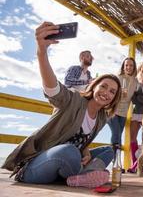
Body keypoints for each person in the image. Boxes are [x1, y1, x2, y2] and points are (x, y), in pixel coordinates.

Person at [1, 22, 122, 188]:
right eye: (104, 86)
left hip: (67, 164)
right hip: (37, 166)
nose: (106, 93)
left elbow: (81, 141)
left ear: (114, 98)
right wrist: (42, 52)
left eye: (112, 91)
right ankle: (85, 175)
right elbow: (53, 89)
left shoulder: (101, 117)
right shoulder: (73, 99)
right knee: (69, 150)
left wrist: (85, 150)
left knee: (108, 150)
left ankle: (79, 177)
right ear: (93, 86)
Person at [107, 57, 137, 153]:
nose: (128, 67)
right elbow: (110, 92)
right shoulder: (117, 78)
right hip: (113, 110)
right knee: (116, 134)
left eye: (131, 65)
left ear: (134, 67)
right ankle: (115, 158)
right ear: (123, 67)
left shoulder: (135, 81)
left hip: (124, 113)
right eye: (126, 65)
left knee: (119, 135)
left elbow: (135, 97)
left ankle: (116, 160)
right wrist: (119, 94)